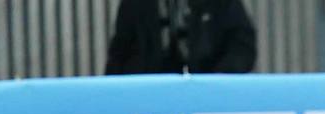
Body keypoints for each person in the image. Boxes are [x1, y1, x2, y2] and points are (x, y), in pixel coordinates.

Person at [105, 0, 256, 75]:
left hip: (208, 98)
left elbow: (243, 47)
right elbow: (119, 54)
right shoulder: (136, 4)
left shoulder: (220, 3)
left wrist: (215, 82)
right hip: (150, 99)